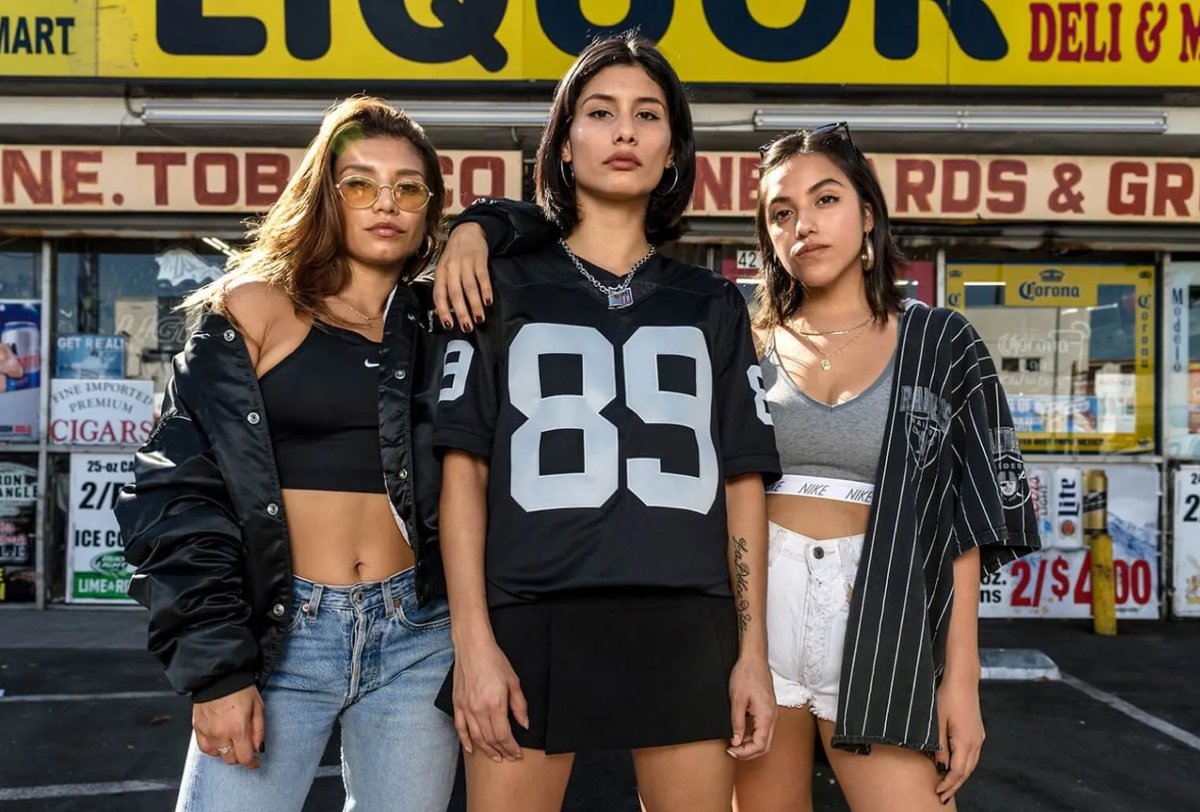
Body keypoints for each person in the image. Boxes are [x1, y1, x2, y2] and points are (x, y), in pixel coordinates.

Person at [433, 122, 1041, 810]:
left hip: (879, 616)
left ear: (868, 214)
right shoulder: (743, 338)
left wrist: (960, 680)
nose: (804, 225)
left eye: (826, 200)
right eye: (782, 213)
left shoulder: (940, 340)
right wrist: (478, 227)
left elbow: (958, 523)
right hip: (755, 616)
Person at [432, 33, 781, 812]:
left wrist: (751, 651)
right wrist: (473, 643)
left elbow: (743, 483)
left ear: (673, 151)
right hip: (530, 615)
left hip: (687, 620)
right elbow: (464, 474)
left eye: (647, 114)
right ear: (563, 145)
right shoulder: (496, 287)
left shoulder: (715, 303)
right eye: (600, 112)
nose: (624, 132)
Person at [114, 96, 458, 812]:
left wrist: (485, 230)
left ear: (431, 206)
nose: (384, 203)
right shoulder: (257, 306)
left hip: (420, 636)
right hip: (283, 630)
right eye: (358, 183)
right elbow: (174, 490)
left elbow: (544, 241)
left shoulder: (442, 325)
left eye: (408, 187)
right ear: (324, 195)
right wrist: (215, 672)